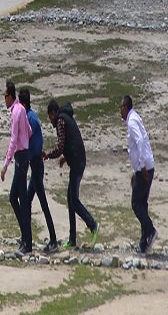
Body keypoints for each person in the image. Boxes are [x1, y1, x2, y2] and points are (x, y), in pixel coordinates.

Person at [44, 99, 98, 249]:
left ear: (53, 113)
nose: (50, 121)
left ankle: (92, 224)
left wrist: (48, 155)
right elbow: (71, 142)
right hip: (77, 161)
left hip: (77, 163)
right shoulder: (66, 118)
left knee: (73, 199)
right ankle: (72, 239)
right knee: (70, 199)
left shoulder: (61, 120)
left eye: (50, 117)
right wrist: (65, 157)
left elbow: (61, 145)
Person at [21, 88, 58, 253]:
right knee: (28, 202)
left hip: (36, 165)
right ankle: (26, 236)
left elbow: (34, 146)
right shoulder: (32, 116)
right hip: (35, 164)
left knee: (42, 203)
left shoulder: (30, 119)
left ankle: (53, 240)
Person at [120, 95, 157, 253]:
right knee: (142, 203)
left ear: (125, 107)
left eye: (120, 108)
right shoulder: (134, 118)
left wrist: (140, 166)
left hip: (145, 168)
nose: (119, 112)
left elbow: (140, 141)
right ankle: (144, 242)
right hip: (145, 167)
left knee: (136, 203)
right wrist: (137, 170)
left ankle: (150, 231)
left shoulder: (132, 120)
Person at [0, 81, 32, 254]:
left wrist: (5, 165)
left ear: (11, 96)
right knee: (14, 198)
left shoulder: (16, 112)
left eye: (5, 96)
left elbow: (13, 140)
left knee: (21, 200)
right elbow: (29, 130)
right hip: (23, 155)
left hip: (20, 157)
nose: (4, 100)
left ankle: (27, 242)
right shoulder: (20, 109)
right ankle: (25, 235)